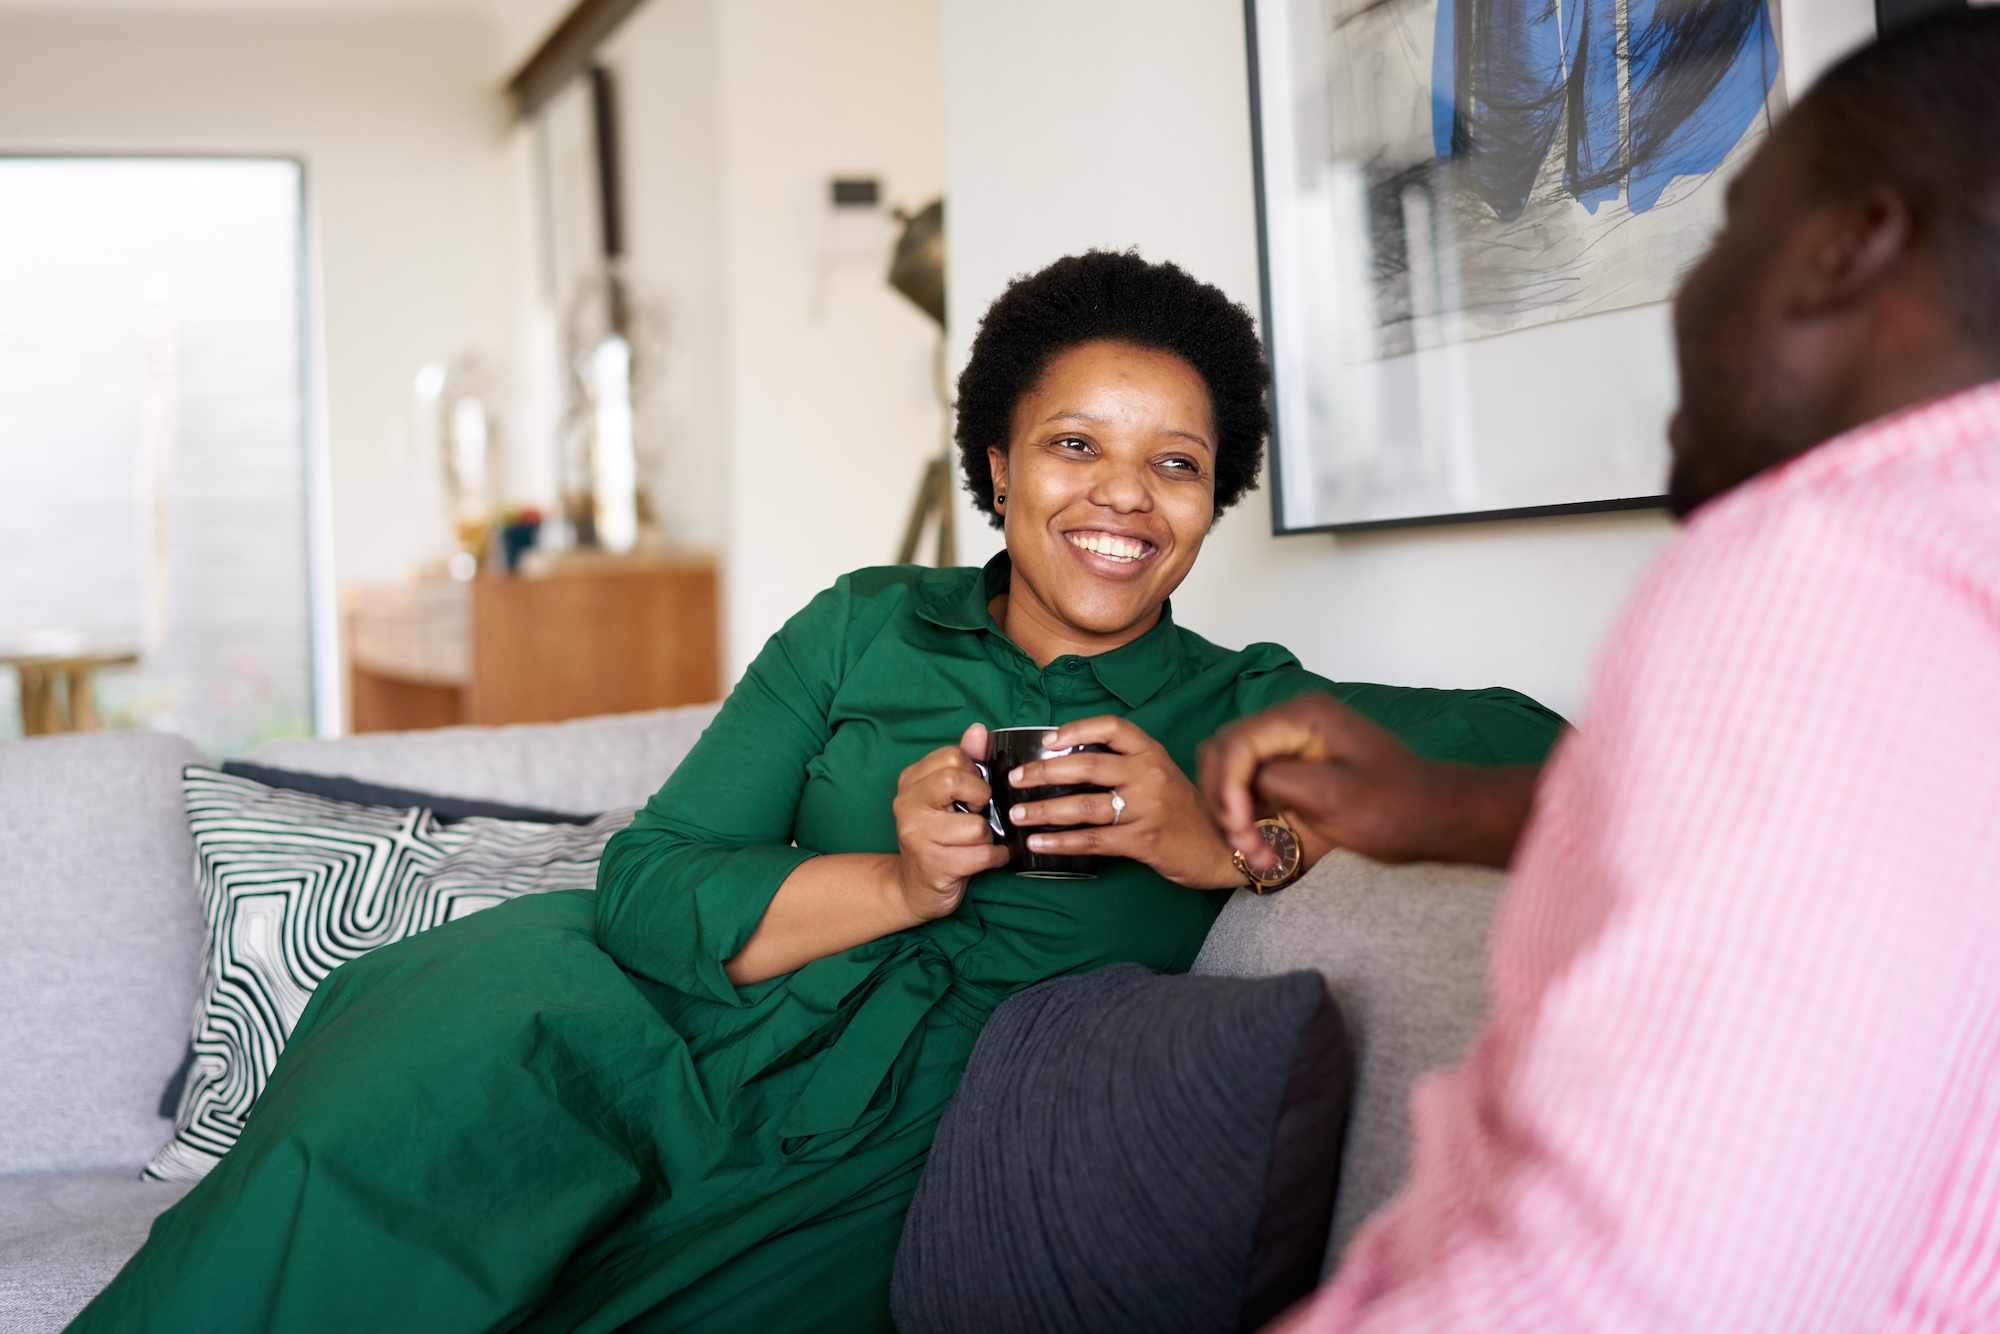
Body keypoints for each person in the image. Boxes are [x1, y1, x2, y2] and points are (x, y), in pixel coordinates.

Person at [73, 251, 1562, 1334]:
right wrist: (902, 880)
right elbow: (652, 876)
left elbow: (1549, 746)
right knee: (375, 1155)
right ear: (995, 458)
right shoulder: (863, 622)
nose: (1122, 496)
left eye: (1174, 462)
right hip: (635, 1025)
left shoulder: (1243, 706)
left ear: (1214, 497)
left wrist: (1229, 842)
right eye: (1074, 444)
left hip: (884, 1148)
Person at [1202, 14, 2000, 1330]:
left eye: (1729, 220)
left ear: (1848, 248)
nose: (1691, 289)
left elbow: (1644, 1290)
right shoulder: (1946, 572)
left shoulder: (1814, 577)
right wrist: (1458, 808)